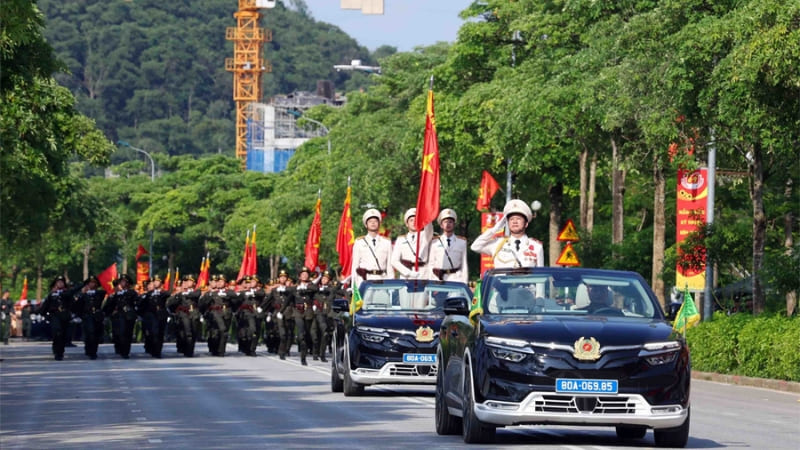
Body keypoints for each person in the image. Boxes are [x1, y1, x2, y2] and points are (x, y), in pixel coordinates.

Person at [471, 199, 545, 268]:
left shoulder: (536, 246)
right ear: (507, 223)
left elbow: (540, 275)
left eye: (518, 219)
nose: (514, 222)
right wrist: (495, 229)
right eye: (511, 219)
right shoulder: (498, 244)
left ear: (526, 224)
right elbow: (475, 246)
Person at [37, 276, 80, 360]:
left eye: (62, 282)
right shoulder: (52, 294)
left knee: (63, 334)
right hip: (55, 316)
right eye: (58, 282)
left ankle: (60, 352)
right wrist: (42, 313)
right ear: (55, 283)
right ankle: (57, 351)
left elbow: (73, 304)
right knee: (57, 332)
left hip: (65, 316)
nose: (60, 283)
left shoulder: (67, 293)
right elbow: (46, 305)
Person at [351, 208, 394, 288]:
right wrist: (354, 288)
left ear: (379, 223)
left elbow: (389, 267)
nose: (373, 223)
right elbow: (355, 266)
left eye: (375, 221)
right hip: (365, 281)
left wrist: (391, 285)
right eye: (370, 221)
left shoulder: (386, 242)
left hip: (382, 281)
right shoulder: (359, 242)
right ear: (366, 224)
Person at [427, 208, 469, 283]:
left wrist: (464, 281)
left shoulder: (462, 242)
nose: (448, 224)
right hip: (438, 279)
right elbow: (431, 264)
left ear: (454, 224)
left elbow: (464, 264)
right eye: (445, 222)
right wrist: (432, 280)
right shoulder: (435, 242)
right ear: (441, 225)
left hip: (456, 278)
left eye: (450, 222)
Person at [102, 274, 139, 359]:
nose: (122, 283)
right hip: (119, 316)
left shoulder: (132, 293)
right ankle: (121, 349)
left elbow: (137, 303)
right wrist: (107, 313)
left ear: (128, 283)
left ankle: (125, 351)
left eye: (124, 281)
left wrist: (135, 312)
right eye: (121, 281)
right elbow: (109, 306)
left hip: (129, 316)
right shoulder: (115, 295)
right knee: (120, 333)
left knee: (128, 334)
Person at [391, 208, 433, 279]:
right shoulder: (401, 240)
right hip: (406, 276)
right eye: (411, 220)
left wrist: (425, 214)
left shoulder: (425, 235)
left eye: (416, 220)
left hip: (422, 275)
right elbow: (394, 261)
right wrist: (408, 273)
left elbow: (429, 228)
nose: (414, 222)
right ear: (407, 224)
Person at [167, 274, 202, 357]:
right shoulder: (179, 294)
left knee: (193, 332)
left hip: (193, 313)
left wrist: (185, 292)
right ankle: (188, 351)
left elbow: (194, 295)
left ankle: (190, 348)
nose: (187, 283)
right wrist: (178, 294)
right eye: (186, 281)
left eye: (190, 281)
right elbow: (171, 303)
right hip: (183, 314)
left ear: (194, 283)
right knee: (187, 332)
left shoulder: (196, 291)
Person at [72, 276, 106, 359]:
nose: (92, 284)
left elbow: (102, 294)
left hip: (97, 316)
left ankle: (93, 351)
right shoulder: (83, 294)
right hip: (87, 316)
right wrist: (82, 293)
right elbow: (76, 305)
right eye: (90, 283)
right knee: (89, 333)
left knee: (96, 334)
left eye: (94, 283)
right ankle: (89, 350)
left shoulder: (99, 293)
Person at [200, 275, 234, 356]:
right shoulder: (210, 293)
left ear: (225, 283)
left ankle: (221, 350)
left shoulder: (229, 292)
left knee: (224, 332)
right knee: (216, 332)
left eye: (221, 281)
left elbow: (235, 301)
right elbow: (202, 304)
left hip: (226, 313)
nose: (219, 283)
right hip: (214, 314)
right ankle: (215, 349)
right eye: (218, 281)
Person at [231, 276, 265, 356]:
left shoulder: (259, 291)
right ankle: (248, 348)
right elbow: (236, 301)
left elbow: (262, 293)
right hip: (247, 313)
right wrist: (241, 294)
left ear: (257, 283)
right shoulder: (243, 292)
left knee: (257, 331)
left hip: (257, 313)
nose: (250, 284)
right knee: (250, 331)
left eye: (253, 282)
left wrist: (253, 293)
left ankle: (252, 348)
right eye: (248, 282)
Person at [139, 275, 170, 358]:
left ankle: (158, 350)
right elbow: (141, 305)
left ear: (161, 283)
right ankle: (153, 350)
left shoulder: (164, 293)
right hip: (151, 316)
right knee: (152, 333)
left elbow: (169, 296)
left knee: (160, 333)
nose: (155, 283)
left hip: (161, 315)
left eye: (157, 281)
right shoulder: (148, 295)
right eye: (154, 282)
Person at [266, 270, 294, 359]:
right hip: (277, 313)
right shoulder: (275, 290)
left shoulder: (290, 290)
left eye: (284, 277)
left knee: (288, 332)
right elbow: (269, 301)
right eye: (281, 277)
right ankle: (281, 351)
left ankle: (286, 349)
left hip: (288, 313)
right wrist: (269, 313)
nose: (283, 278)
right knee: (281, 333)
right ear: (279, 278)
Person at [293, 267, 317, 365]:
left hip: (308, 312)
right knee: (301, 333)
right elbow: (288, 299)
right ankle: (302, 352)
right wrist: (281, 311)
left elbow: (315, 288)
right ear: (299, 276)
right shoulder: (295, 287)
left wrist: (306, 288)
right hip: (298, 312)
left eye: (306, 274)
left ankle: (304, 357)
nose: (305, 276)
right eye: (303, 274)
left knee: (307, 335)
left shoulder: (311, 286)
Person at [311, 270, 335, 362]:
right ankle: (315, 352)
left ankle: (322, 354)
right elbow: (310, 288)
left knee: (324, 334)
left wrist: (325, 289)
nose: (324, 280)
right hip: (316, 314)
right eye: (323, 278)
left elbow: (332, 292)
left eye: (326, 279)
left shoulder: (330, 290)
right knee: (315, 336)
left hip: (326, 314)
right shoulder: (316, 288)